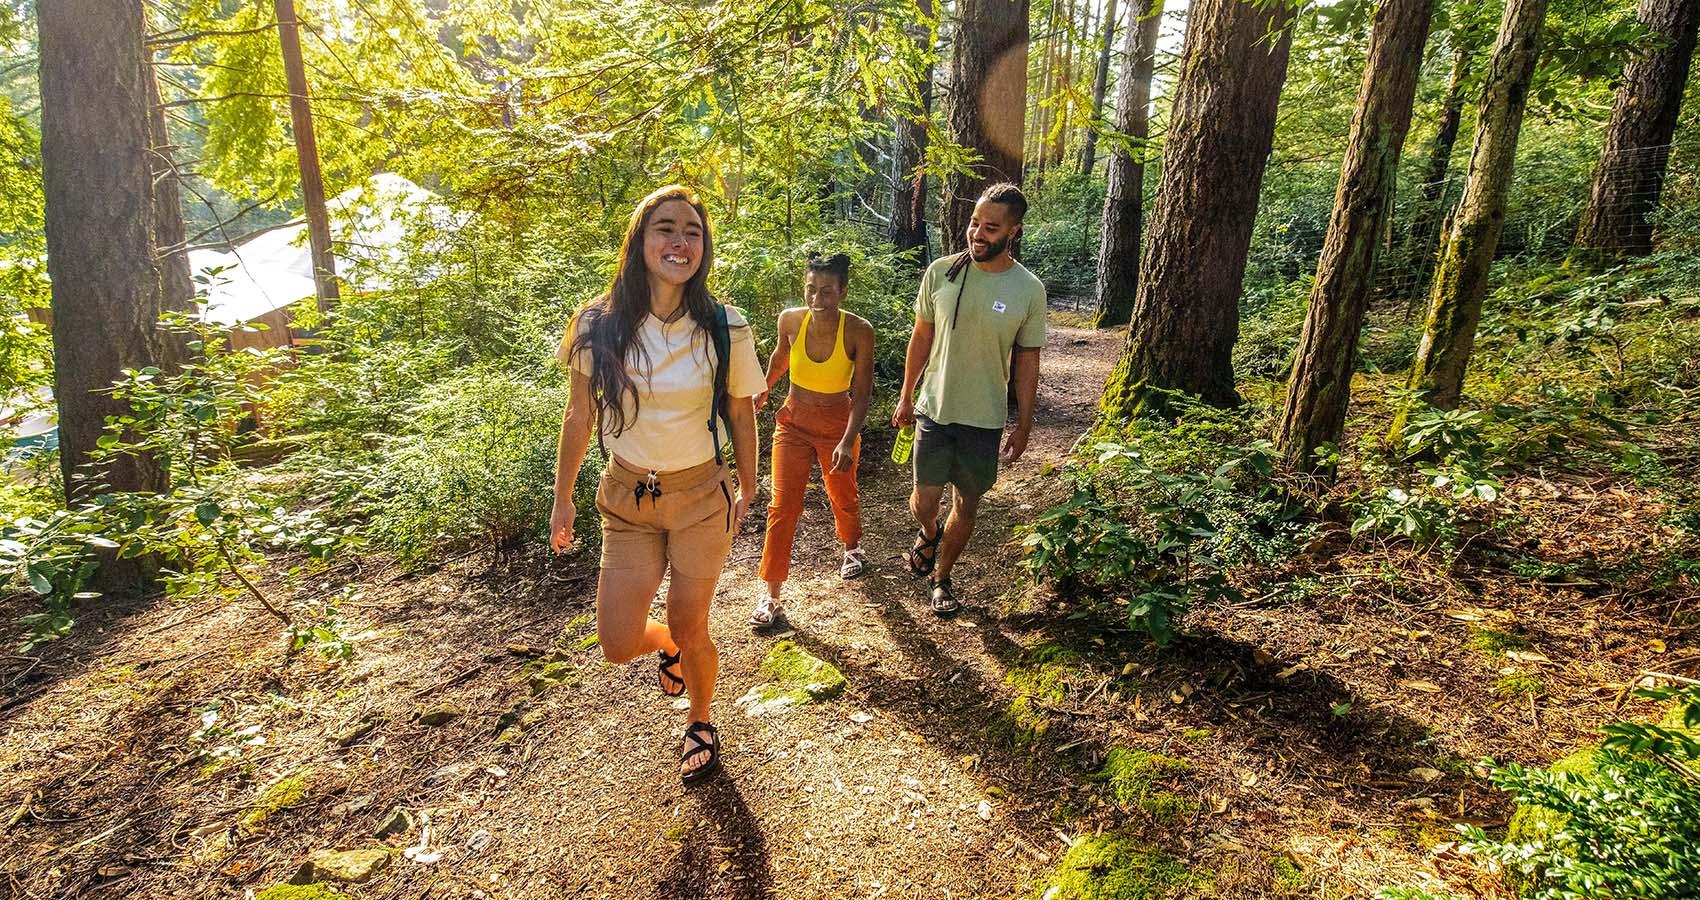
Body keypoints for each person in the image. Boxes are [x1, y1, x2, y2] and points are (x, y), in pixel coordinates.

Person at [549, 185, 765, 784]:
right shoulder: (597, 324)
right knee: (617, 641)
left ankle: (699, 718)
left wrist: (749, 486)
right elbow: (578, 415)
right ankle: (668, 646)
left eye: (692, 231)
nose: (679, 242)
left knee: (692, 619)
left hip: (701, 497)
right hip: (627, 499)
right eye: (665, 228)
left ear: (704, 247)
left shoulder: (725, 325)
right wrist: (563, 498)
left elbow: (741, 411)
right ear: (640, 241)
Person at [892, 182, 1046, 616]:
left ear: (1012, 231)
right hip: (935, 409)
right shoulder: (941, 271)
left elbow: (1027, 360)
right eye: (975, 223)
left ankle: (942, 578)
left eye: (990, 227)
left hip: (984, 418)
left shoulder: (1027, 289)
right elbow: (921, 336)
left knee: (967, 502)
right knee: (924, 499)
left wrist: (1025, 423)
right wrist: (906, 394)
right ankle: (928, 530)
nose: (978, 233)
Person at [749, 252, 875, 628]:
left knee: (842, 493)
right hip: (793, 421)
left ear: (843, 292)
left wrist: (848, 437)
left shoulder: (858, 330)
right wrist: (764, 389)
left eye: (827, 291)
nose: (817, 300)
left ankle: (852, 547)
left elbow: (863, 389)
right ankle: (770, 594)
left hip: (838, 423)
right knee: (783, 505)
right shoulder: (790, 320)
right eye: (810, 290)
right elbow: (780, 357)